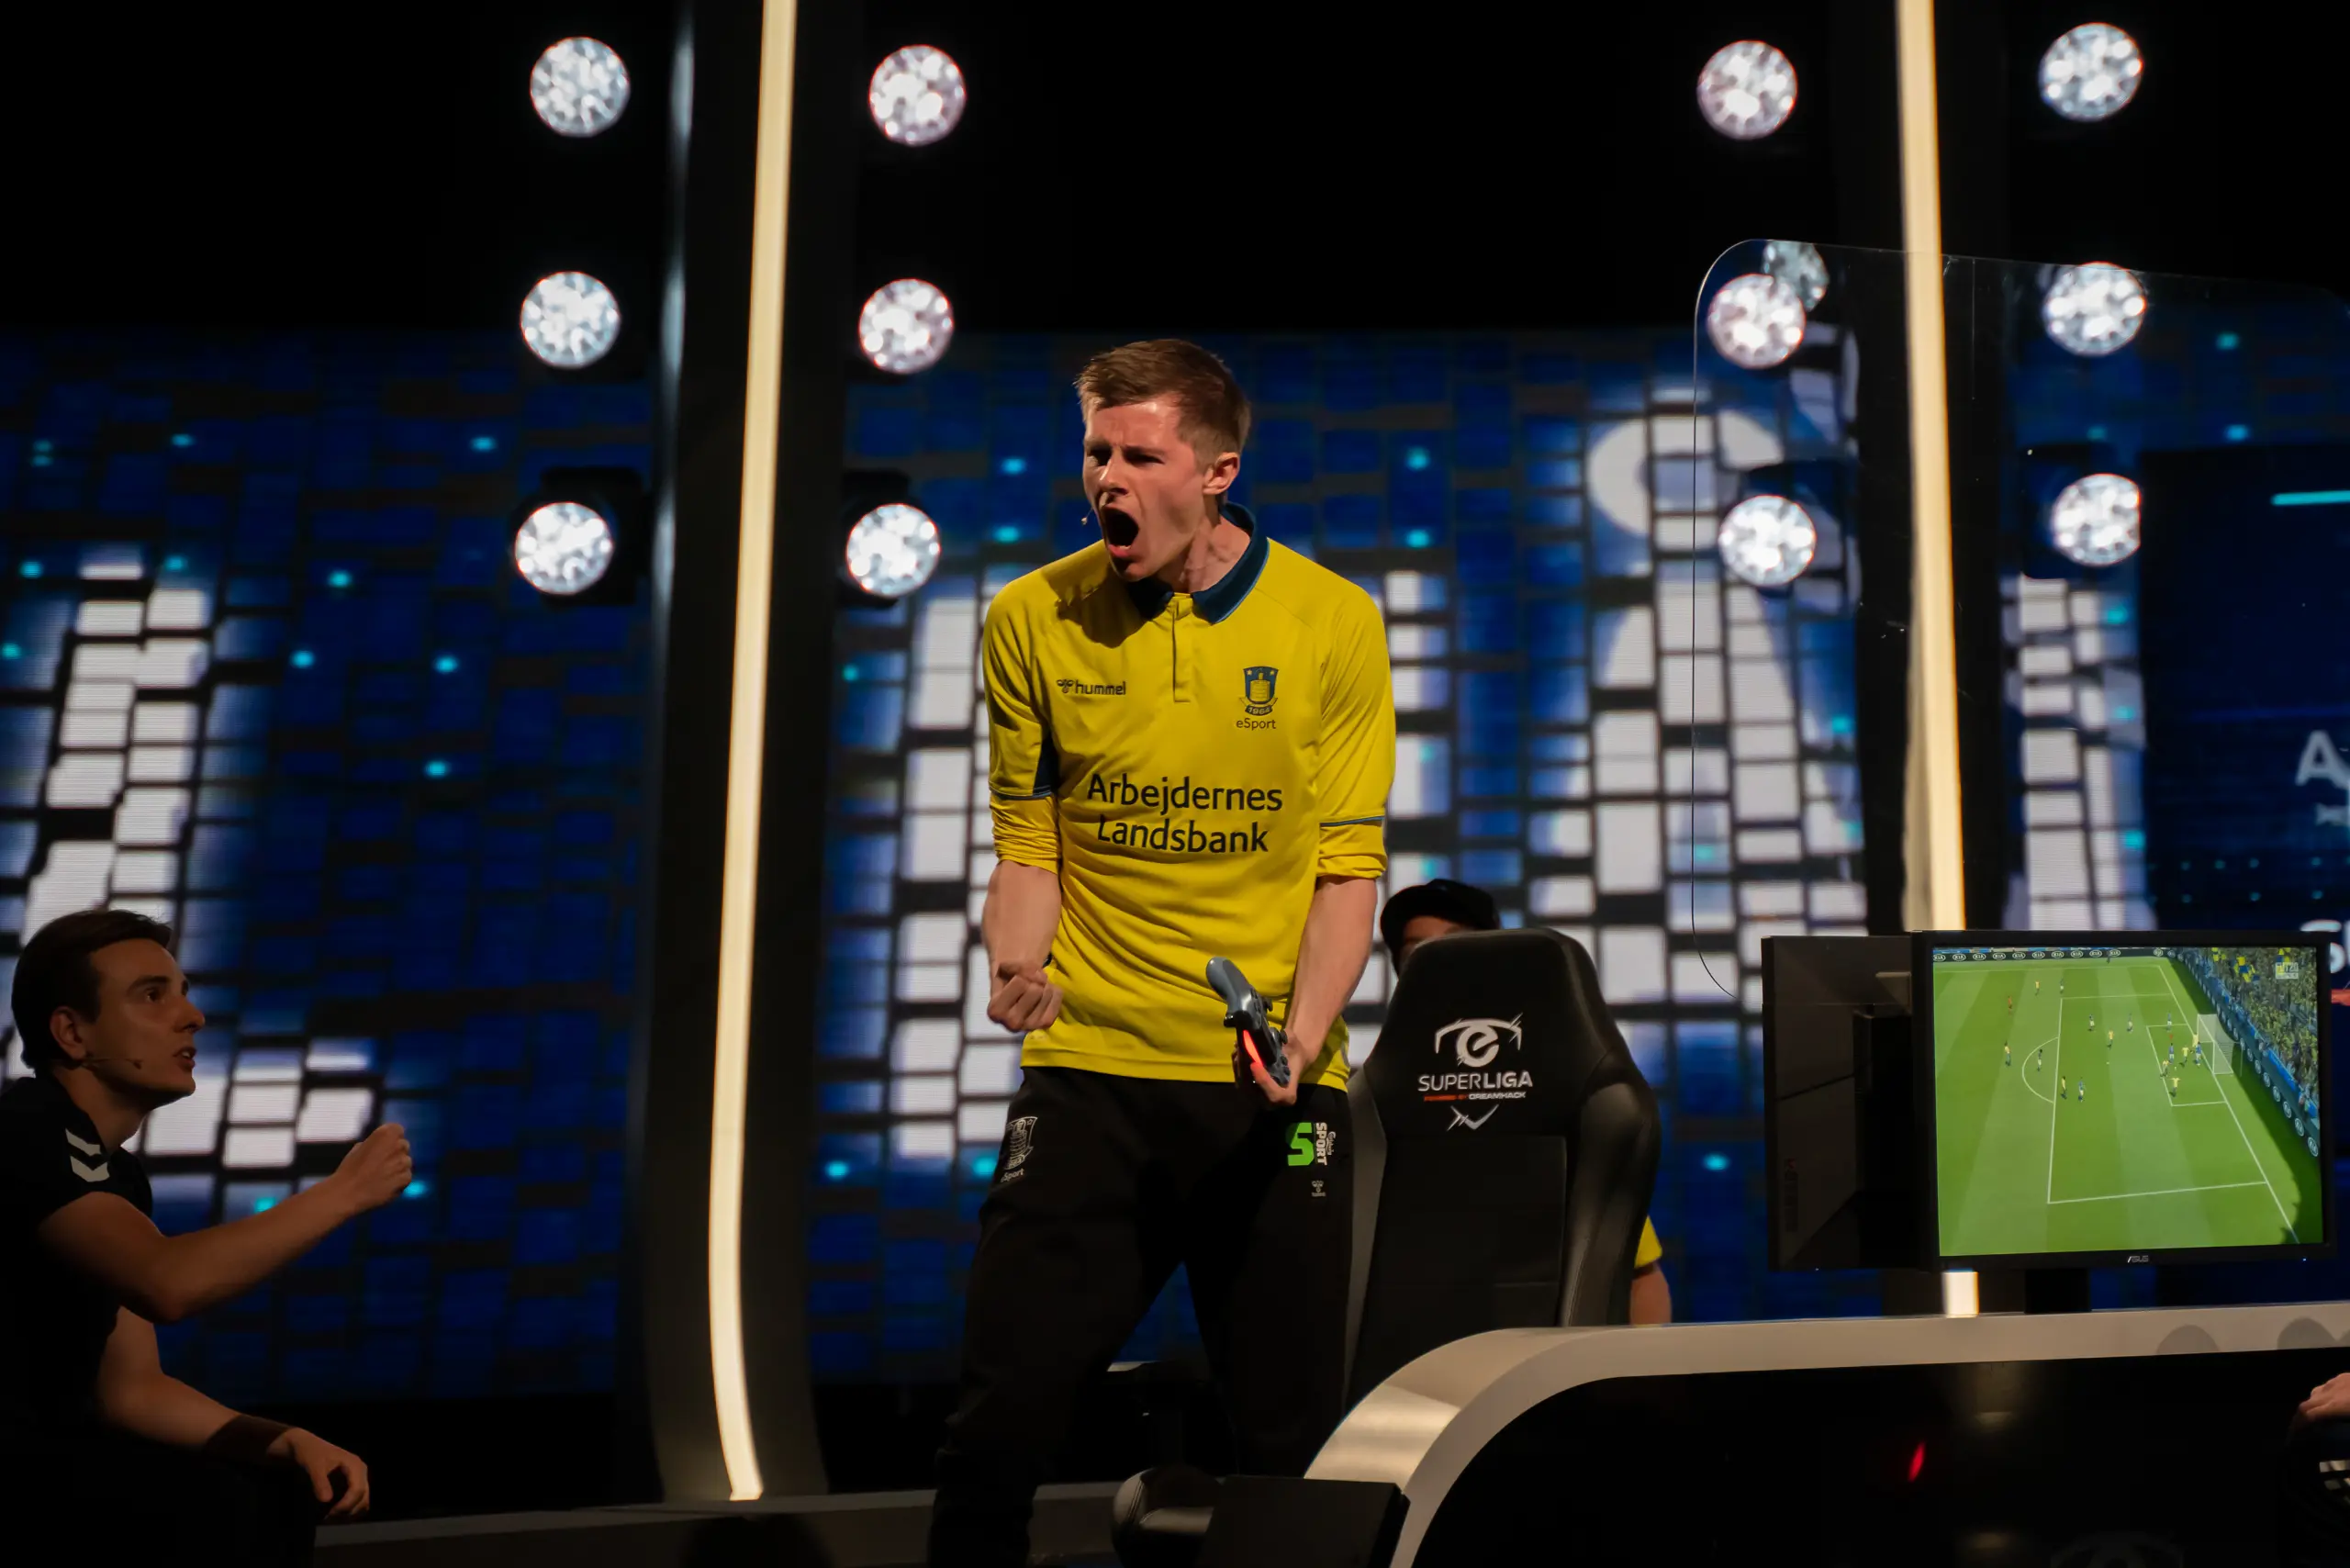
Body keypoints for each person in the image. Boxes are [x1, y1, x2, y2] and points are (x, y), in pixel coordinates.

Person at [931, 342, 1397, 1568]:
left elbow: (1347, 869)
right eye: (1097, 451)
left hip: (1270, 1091)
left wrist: (1300, 1038)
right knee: (996, 1427)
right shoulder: (1030, 618)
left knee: (1293, 1448)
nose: (1108, 477)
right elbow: (1028, 844)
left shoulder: (1333, 621)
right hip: (1092, 1076)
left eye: (1140, 454)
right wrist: (1015, 964)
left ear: (1217, 471)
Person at [1, 909, 411, 1559]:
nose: (191, 1017)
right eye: (152, 996)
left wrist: (284, 1439)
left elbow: (131, 1390)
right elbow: (166, 1282)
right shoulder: (26, 1131)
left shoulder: (114, 1173)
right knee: (212, 1508)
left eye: (184, 993)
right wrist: (344, 1193)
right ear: (72, 1033)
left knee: (271, 1484)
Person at [1378, 878, 1673, 1326]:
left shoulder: (1561, 1090)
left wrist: (1644, 1368)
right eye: (1417, 952)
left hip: (1543, 1353)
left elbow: (1637, 1277)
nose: (1438, 962)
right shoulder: (1375, 1096)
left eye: (1457, 945)